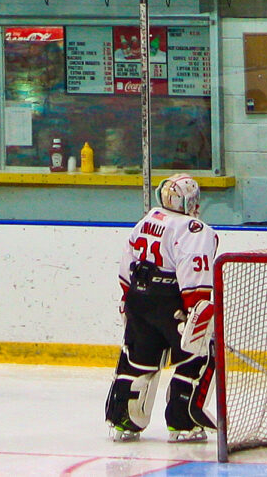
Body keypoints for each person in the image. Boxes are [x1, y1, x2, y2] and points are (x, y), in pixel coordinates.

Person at [105, 173, 220, 443]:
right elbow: (193, 272)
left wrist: (129, 300)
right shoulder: (194, 228)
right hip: (172, 302)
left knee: (137, 359)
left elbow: (127, 262)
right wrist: (194, 308)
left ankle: (124, 421)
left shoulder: (149, 219)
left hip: (138, 298)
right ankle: (184, 424)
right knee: (198, 355)